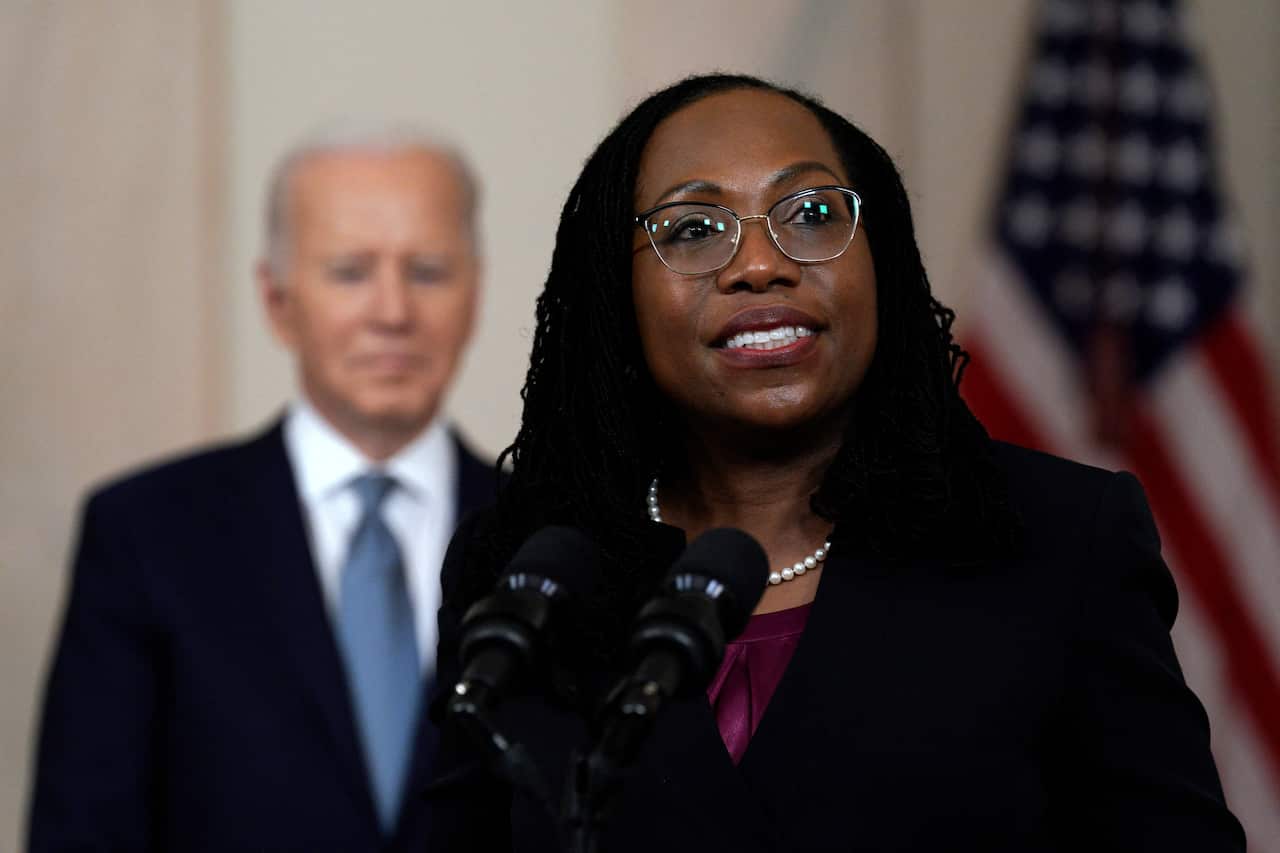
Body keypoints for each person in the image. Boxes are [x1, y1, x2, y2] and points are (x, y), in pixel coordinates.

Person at [424, 74, 1245, 851]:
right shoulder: (529, 576)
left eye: (813, 212)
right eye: (694, 229)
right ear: (615, 292)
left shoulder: (1061, 541)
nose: (760, 265)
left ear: (879, 260)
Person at [28, 123, 496, 851]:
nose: (393, 312)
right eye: (350, 272)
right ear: (278, 299)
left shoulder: (560, 535)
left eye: (428, 271)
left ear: (475, 292)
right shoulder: (146, 535)